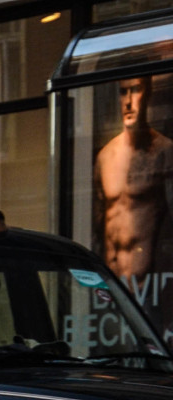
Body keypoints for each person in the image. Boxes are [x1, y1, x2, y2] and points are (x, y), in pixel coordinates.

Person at [94, 76, 173, 284]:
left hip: (148, 284)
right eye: (123, 92)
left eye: (135, 90)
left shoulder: (165, 152)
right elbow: (97, 229)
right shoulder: (105, 157)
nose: (128, 101)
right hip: (110, 285)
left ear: (147, 93)